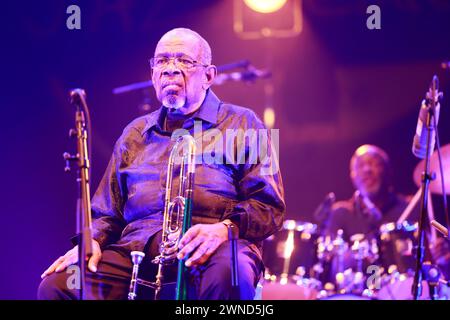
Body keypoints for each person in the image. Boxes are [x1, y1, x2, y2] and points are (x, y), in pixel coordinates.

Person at [38, 28, 285, 300]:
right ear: (153, 72)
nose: (171, 69)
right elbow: (106, 212)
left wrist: (224, 230)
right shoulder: (134, 133)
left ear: (209, 76)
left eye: (184, 61)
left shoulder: (243, 123)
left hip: (213, 248)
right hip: (137, 251)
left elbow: (268, 207)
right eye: (162, 61)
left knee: (230, 276)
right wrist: (92, 241)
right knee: (59, 286)